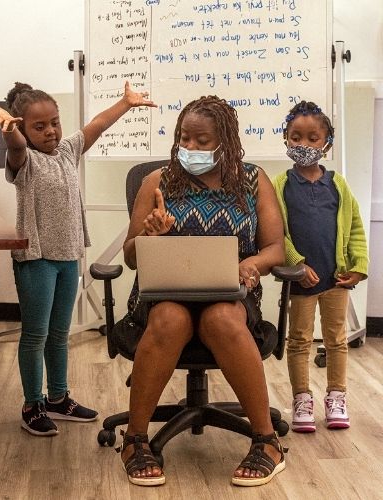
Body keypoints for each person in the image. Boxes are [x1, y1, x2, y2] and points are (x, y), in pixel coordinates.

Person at [116, 95, 287, 486]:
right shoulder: (156, 181)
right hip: (163, 296)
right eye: (183, 138)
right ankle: (136, 440)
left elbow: (275, 248)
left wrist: (251, 264)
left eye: (201, 140)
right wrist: (148, 235)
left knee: (222, 317)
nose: (188, 148)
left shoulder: (253, 181)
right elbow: (130, 257)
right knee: (170, 317)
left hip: (231, 295)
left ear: (225, 140)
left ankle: (266, 441)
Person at [0, 81, 156, 437]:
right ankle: (33, 405)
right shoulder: (24, 160)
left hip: (68, 257)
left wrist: (125, 103)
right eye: (39, 126)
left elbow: (96, 125)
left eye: (54, 122)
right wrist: (12, 131)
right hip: (36, 259)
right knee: (36, 334)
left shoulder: (66, 150)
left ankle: (59, 398)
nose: (50, 131)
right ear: (24, 127)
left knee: (59, 334)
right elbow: (15, 145)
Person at [273, 101, 368, 433]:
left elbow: (354, 227)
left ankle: (336, 398)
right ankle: (302, 399)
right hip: (299, 283)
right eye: (296, 137)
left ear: (326, 143)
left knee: (336, 339)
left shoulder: (338, 185)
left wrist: (358, 266)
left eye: (313, 138)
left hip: (334, 280)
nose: (304, 145)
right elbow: (273, 232)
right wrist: (296, 264)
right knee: (298, 340)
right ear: (285, 139)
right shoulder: (279, 185)